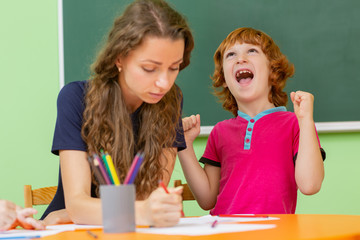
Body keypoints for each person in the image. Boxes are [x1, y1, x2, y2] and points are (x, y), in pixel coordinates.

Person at [41, 0, 194, 227]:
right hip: (68, 230)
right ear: (119, 58)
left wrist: (151, 208)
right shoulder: (75, 98)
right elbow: (77, 205)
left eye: (174, 68)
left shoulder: (171, 100)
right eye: (150, 68)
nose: (164, 83)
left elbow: (150, 195)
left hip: (125, 228)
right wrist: (143, 211)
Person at [178, 27, 325, 215]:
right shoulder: (219, 132)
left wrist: (305, 121)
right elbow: (207, 200)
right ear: (224, 79)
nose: (240, 59)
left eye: (252, 51)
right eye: (231, 55)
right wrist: (184, 145)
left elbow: (310, 185)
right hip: (224, 233)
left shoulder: (295, 124)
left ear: (273, 70)